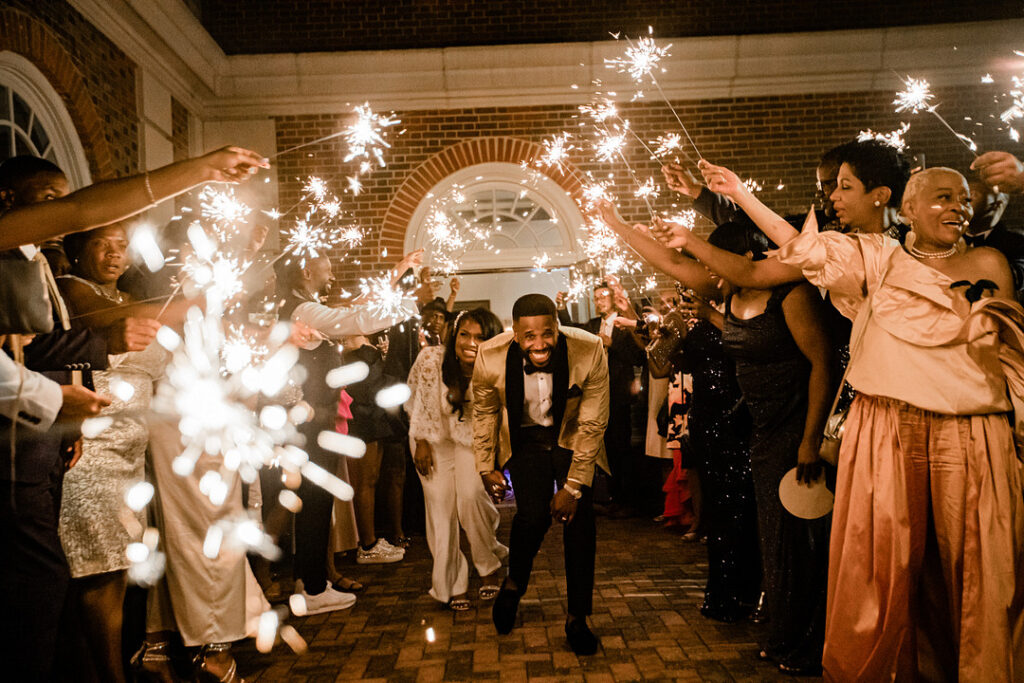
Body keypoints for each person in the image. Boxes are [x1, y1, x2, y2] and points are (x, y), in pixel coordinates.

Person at [776, 166, 1024, 681]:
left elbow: (1009, 355)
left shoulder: (990, 261)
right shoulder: (881, 260)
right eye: (942, 197)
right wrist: (737, 194)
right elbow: (808, 252)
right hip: (888, 427)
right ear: (907, 208)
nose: (958, 206)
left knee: (977, 568)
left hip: (973, 431)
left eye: (963, 198)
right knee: (886, 567)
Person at [56, 224, 171, 683]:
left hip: (130, 455)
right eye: (102, 244)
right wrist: (186, 295)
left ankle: (111, 665)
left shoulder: (128, 300)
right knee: (99, 573)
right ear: (77, 249)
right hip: (91, 451)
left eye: (122, 246)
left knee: (119, 570)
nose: (114, 254)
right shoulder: (71, 290)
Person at [275, 251, 418, 614]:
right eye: (326, 263)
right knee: (314, 503)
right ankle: (312, 588)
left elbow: (353, 306)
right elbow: (358, 317)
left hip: (315, 421)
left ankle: (310, 581)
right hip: (309, 422)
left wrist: (395, 274)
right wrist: (405, 295)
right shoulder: (302, 311)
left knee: (315, 502)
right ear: (307, 269)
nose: (332, 269)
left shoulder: (304, 306)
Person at [472, 293, 609, 655]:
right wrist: (486, 467)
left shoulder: (589, 349)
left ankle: (577, 618)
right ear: (515, 333)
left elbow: (593, 423)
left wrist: (574, 487)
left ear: (557, 326)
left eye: (547, 333)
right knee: (531, 517)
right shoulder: (489, 355)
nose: (539, 344)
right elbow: (484, 413)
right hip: (525, 440)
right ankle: (515, 583)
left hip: (573, 437)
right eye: (529, 336)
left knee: (580, 525)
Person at [408, 308, 508, 610]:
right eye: (465, 334)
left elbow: (496, 418)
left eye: (480, 336)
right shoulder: (431, 359)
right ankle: (451, 583)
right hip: (431, 438)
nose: (470, 342)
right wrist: (422, 442)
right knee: (440, 509)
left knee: (471, 496)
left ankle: (489, 562)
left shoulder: (496, 367)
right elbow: (417, 400)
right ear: (455, 335)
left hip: (471, 442)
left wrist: (491, 463)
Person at [557, 282, 645, 514]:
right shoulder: (594, 325)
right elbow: (573, 330)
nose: (599, 301)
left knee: (620, 448)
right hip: (595, 396)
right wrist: (561, 308)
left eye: (603, 296)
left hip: (618, 395)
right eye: (596, 297)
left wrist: (612, 344)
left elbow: (638, 356)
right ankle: (607, 497)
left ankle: (625, 500)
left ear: (614, 297)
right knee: (600, 447)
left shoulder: (625, 324)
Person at [341, 333, 406, 564]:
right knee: (364, 481)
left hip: (375, 412)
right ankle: (367, 545)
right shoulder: (344, 333)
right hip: (361, 412)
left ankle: (372, 539)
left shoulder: (363, 330)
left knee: (373, 478)